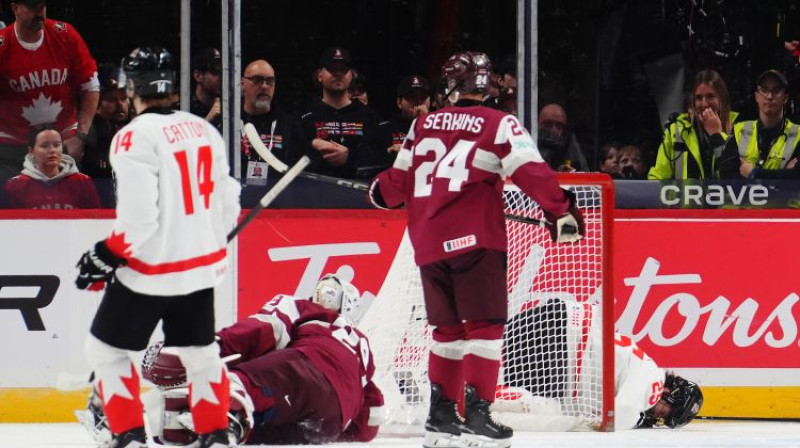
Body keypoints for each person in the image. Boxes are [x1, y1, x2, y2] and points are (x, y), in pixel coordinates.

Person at [367, 51, 585, 448]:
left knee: (446, 330)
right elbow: (532, 172)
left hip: (429, 245)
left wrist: (376, 190)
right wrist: (562, 209)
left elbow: (392, 188)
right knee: (484, 325)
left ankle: (442, 413)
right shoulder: (499, 123)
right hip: (474, 241)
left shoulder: (423, 124)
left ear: (453, 85)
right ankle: (479, 410)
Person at [74, 47, 241, 448]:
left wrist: (105, 254)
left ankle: (128, 434)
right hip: (200, 268)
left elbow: (138, 222)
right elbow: (228, 201)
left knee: (105, 351)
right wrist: (209, 250)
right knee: (200, 354)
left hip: (151, 273)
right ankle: (215, 435)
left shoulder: (133, 136)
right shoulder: (204, 130)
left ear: (132, 87)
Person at [79, 274, 384, 446]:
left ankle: (139, 425)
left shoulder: (304, 308)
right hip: (328, 423)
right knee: (253, 426)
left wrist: (215, 345)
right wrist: (338, 426)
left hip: (305, 372)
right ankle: (199, 431)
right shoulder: (362, 348)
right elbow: (371, 419)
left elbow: (265, 328)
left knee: (233, 383)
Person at [501, 297, 704, 430]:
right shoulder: (653, 382)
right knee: (549, 410)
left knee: (483, 356)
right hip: (558, 346)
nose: (654, 415)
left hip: (552, 319)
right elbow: (618, 415)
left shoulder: (643, 363)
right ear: (668, 392)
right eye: (661, 412)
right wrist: (632, 422)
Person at [0, 0, 99, 183]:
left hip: (62, 141)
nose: (39, 13)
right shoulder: (3, 44)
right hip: (13, 145)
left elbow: (90, 87)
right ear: (15, 8)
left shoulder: (65, 34)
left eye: (41, 6)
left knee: (73, 202)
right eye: (31, 7)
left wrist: (80, 135)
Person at [300, 46, 391, 180]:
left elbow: (382, 158)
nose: (338, 73)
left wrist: (350, 157)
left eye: (343, 69)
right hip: (315, 194)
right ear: (320, 75)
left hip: (359, 194)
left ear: (351, 75)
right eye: (332, 69)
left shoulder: (370, 118)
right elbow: (292, 156)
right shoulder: (305, 117)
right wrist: (313, 144)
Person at [648, 69, 737, 180]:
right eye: (699, 98)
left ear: (722, 98)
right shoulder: (676, 131)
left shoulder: (740, 131)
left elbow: (737, 178)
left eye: (710, 96)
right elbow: (658, 177)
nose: (704, 104)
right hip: (684, 198)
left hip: (724, 197)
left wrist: (717, 136)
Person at [718, 70, 800, 179]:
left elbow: (797, 177)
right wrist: (782, 175)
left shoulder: (798, 134)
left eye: (776, 90)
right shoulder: (740, 130)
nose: (770, 96)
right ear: (757, 96)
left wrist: (754, 173)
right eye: (764, 90)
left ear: (785, 98)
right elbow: (726, 176)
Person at [2, 125, 100, 209]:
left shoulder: (82, 182)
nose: (52, 150)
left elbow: (96, 222)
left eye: (56, 145)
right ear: (31, 151)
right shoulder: (15, 185)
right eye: (44, 146)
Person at [240, 59, 305, 183]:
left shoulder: (290, 125)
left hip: (279, 199)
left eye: (270, 81)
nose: (264, 86)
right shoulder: (228, 123)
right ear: (243, 84)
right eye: (257, 80)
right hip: (236, 199)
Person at [82, 63, 132, 207]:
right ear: (96, 104)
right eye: (111, 99)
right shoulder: (87, 133)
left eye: (123, 98)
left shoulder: (136, 128)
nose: (120, 104)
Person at [386, 75, 431, 159]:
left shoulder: (441, 126)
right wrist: (389, 152)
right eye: (411, 97)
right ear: (399, 103)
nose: (418, 102)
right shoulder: (386, 129)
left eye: (422, 97)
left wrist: (427, 122)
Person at [537, 104, 589, 172]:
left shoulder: (569, 146)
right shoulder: (528, 143)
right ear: (537, 124)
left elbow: (583, 172)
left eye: (558, 126)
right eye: (548, 124)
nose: (553, 130)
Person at [190, 47, 223, 131]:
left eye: (224, 72)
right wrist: (208, 120)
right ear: (198, 76)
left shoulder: (230, 106)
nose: (222, 77)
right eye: (216, 71)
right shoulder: (184, 107)